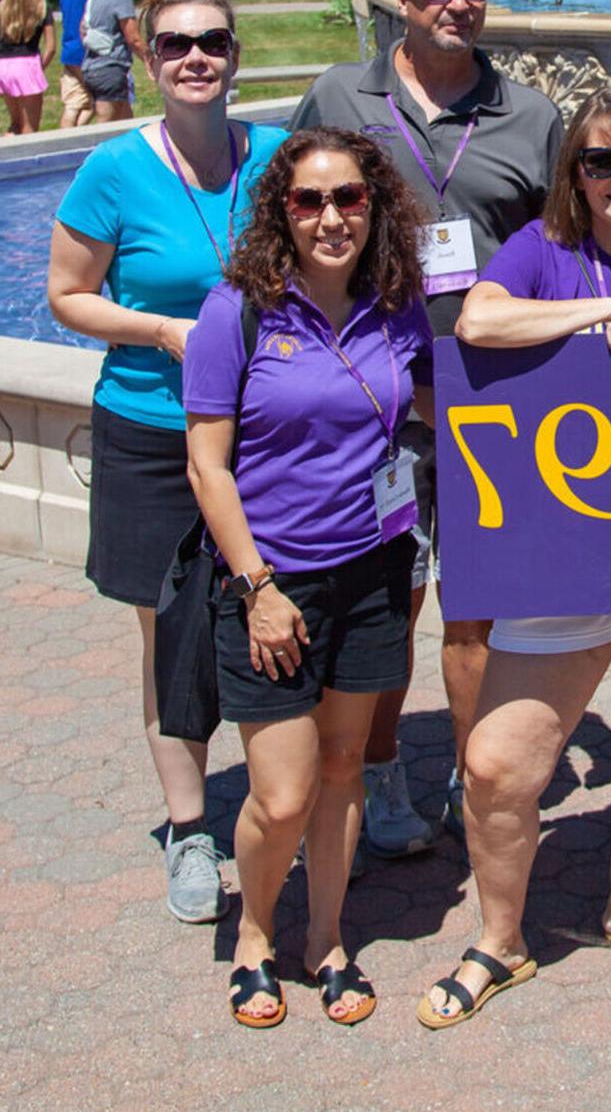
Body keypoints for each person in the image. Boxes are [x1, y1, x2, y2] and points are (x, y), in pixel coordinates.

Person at [420, 86, 611, 1027]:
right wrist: (597, 314)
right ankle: (500, 939)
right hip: (558, 558)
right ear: (576, 175)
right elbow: (479, 322)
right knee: (495, 764)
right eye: (601, 162)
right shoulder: (543, 255)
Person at [289, 0, 564, 859]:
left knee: (479, 603)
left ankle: (470, 768)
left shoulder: (530, 116)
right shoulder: (339, 94)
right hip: (379, 411)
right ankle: (377, 769)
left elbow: (555, 262)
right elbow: (292, 231)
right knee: (387, 602)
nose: (459, 4)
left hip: (496, 407)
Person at [47, 0, 290, 924]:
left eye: (215, 42)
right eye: (178, 43)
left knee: (280, 607)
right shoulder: (113, 169)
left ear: (237, 56)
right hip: (151, 430)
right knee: (169, 633)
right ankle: (190, 827)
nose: (198, 58)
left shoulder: (272, 158)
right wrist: (161, 331)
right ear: (148, 59)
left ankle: (284, 797)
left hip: (263, 436)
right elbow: (68, 295)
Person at [184, 126, 434, 1028]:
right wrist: (257, 588)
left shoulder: (397, 305)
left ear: (376, 207)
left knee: (342, 770)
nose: (331, 218)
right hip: (270, 584)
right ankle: (255, 934)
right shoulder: (238, 311)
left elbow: (435, 409)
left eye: (350, 199)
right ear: (281, 212)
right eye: (309, 201)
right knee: (281, 794)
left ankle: (325, 939)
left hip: (372, 573)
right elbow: (207, 468)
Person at [0, 0, 56, 136]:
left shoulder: (1, 8)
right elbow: (51, 47)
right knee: (29, 127)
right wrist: (40, 67)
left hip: (3, 66)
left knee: (15, 123)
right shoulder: (41, 7)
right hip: (28, 64)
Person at [80, 0, 145, 122]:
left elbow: (83, 28)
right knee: (107, 125)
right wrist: (150, 59)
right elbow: (134, 38)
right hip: (110, 68)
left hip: (90, 65)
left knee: (125, 121)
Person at [58, 0, 108, 131]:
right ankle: (67, 143)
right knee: (94, 101)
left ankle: (68, 139)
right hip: (88, 52)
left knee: (77, 102)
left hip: (69, 48)